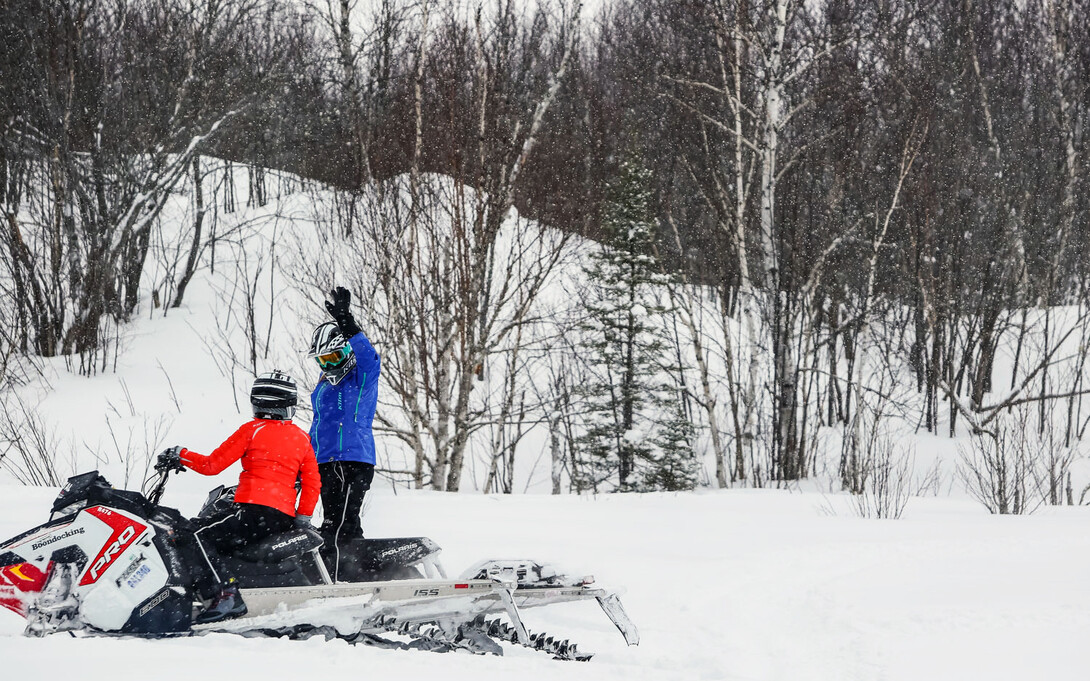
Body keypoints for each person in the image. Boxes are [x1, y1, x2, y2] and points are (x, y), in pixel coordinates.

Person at [157, 369, 320, 623]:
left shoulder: (252, 430)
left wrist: (181, 453)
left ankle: (226, 594)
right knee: (203, 530)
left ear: (257, 403)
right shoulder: (302, 438)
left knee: (194, 535)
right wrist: (303, 518)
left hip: (253, 510)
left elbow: (212, 465)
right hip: (282, 517)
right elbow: (312, 484)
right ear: (288, 406)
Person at [308, 286, 380, 576]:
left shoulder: (360, 379)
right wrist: (305, 461)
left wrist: (346, 320)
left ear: (346, 353)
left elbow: (369, 357)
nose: (329, 366)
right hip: (325, 461)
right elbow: (317, 425)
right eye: (323, 361)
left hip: (354, 460)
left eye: (334, 358)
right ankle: (342, 569)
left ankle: (350, 571)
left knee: (343, 523)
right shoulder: (324, 386)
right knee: (330, 521)